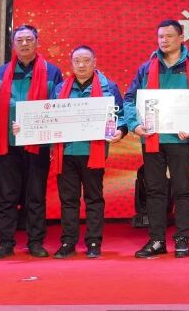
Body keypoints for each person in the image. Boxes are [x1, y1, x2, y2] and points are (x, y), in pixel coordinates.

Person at [124, 19, 189, 258]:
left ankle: (182, 238)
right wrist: (135, 125)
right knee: (154, 190)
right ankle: (157, 240)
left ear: (181, 38)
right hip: (152, 138)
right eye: (160, 36)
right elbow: (130, 99)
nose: (164, 41)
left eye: (169, 36)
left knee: (181, 188)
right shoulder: (146, 67)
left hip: (180, 139)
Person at [0, 25, 64, 260]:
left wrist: (56, 142)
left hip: (39, 144)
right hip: (8, 144)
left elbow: (59, 109)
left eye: (29, 39)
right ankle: (5, 243)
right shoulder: (0, 73)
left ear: (37, 42)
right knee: (8, 196)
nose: (24, 44)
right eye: (20, 40)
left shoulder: (52, 72)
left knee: (35, 195)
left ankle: (35, 242)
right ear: (13, 44)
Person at [48, 45, 125, 259]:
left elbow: (121, 116)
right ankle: (68, 242)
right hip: (66, 152)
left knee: (94, 198)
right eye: (77, 61)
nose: (81, 65)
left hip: (94, 152)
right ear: (71, 64)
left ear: (95, 62)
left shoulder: (109, 87)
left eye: (86, 61)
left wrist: (121, 130)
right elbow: (48, 118)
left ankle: (93, 242)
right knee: (68, 200)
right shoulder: (60, 89)